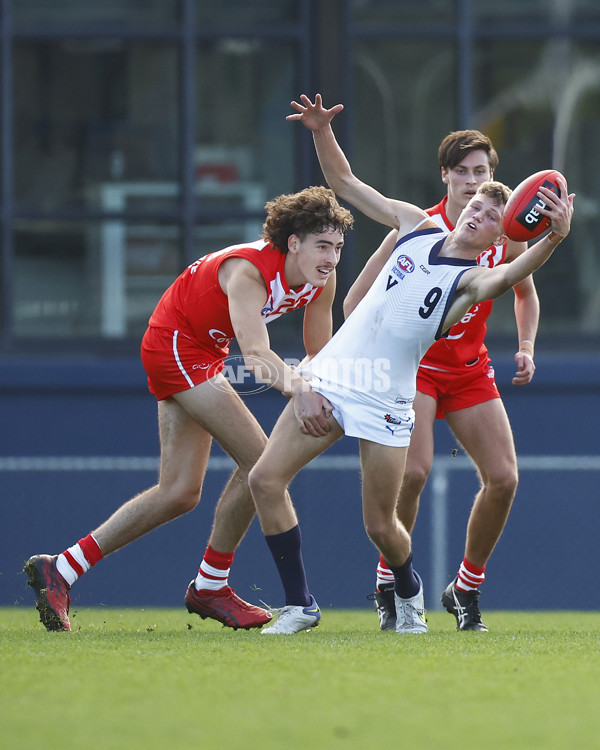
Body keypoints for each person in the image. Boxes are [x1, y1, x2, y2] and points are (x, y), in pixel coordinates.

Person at [247, 94, 573, 635]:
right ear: (459, 204)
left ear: (500, 236)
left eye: (493, 215)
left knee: (382, 525)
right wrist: (320, 131)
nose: (479, 213)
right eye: (475, 205)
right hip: (334, 376)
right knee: (264, 478)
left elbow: (512, 282)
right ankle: (300, 604)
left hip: (389, 396)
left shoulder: (473, 281)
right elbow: (346, 184)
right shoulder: (415, 224)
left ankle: (408, 586)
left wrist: (554, 237)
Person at [23, 185, 354, 632]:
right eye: (322, 245)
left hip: (202, 351)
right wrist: (300, 391)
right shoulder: (248, 273)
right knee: (263, 463)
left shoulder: (321, 277)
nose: (332, 257)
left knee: (179, 491)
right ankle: (211, 585)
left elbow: (319, 352)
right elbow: (256, 356)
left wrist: (329, 388)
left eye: (337, 246)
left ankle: (61, 569)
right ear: (293, 242)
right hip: (175, 345)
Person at [345, 130, 539, 631]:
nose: (474, 182)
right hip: (417, 369)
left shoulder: (504, 231)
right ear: (446, 176)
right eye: (464, 172)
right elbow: (358, 299)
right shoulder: (420, 225)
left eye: (483, 172)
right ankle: (393, 582)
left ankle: (465, 589)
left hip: (470, 370)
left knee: (504, 478)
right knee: (413, 472)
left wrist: (525, 347)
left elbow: (523, 293)